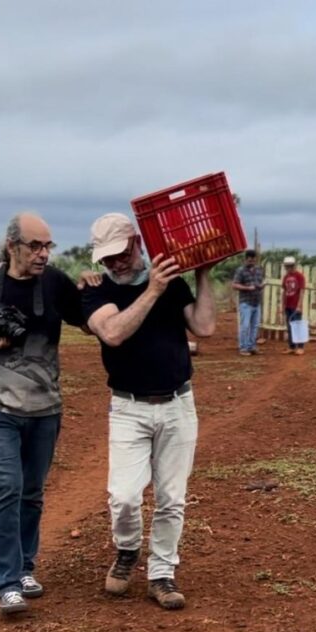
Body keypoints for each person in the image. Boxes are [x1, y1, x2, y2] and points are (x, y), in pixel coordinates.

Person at [0, 213, 86, 615]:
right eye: (35, 246)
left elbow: (90, 323)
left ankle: (25, 567)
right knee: (7, 486)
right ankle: (7, 582)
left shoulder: (56, 282)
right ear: (12, 246)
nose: (43, 254)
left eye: (48, 246)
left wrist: (94, 286)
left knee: (32, 491)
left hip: (44, 406)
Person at [81, 213, 216, 610]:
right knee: (123, 496)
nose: (116, 263)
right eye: (107, 258)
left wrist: (203, 274)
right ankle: (127, 549)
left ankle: (162, 573)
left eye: (121, 254)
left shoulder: (171, 281)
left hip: (177, 403)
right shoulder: (96, 290)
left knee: (172, 497)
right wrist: (153, 290)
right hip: (128, 406)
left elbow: (204, 327)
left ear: (137, 243)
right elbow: (113, 333)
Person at [231, 249, 264, 355]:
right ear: (245, 259)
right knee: (245, 326)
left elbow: (258, 283)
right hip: (246, 302)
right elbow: (234, 285)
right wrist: (247, 288)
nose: (252, 262)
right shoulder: (241, 271)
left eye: (253, 260)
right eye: (250, 260)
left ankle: (251, 346)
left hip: (256, 302)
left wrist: (261, 286)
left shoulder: (259, 270)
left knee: (255, 326)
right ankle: (243, 348)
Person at [281, 256, 306, 355]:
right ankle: (291, 347)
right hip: (288, 305)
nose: (289, 268)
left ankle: (300, 347)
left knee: (298, 326)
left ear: (294, 266)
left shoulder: (300, 276)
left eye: (290, 266)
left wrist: (299, 306)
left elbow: (302, 292)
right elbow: (284, 291)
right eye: (287, 266)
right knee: (289, 326)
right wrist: (282, 305)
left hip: (296, 305)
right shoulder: (286, 277)